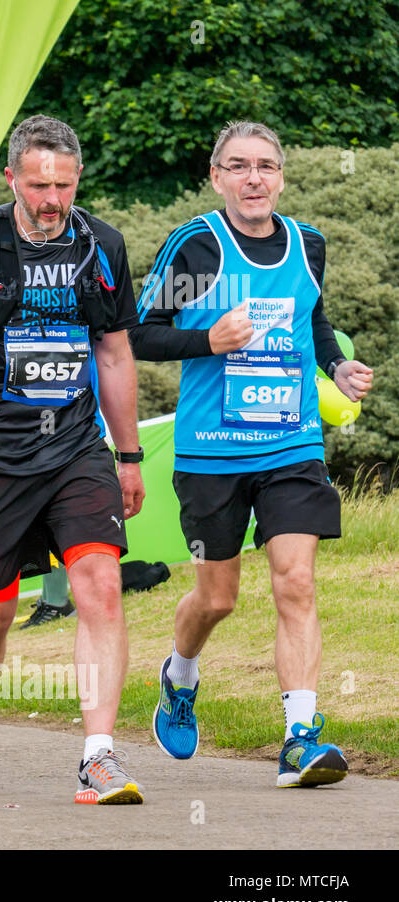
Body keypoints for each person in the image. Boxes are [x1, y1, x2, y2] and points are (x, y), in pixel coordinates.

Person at [131, 121, 372, 788]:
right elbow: (138, 333)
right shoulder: (196, 246)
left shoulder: (307, 245)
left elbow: (312, 320)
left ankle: (300, 737)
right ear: (217, 177)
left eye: (265, 165)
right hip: (211, 453)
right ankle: (180, 675)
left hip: (292, 442)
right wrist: (207, 338)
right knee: (218, 597)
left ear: (282, 177)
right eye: (238, 166)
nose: (254, 177)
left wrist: (336, 366)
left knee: (296, 579)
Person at [0, 115, 146, 804]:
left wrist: (128, 454)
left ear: (78, 180)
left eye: (64, 185)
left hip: (76, 446)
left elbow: (113, 352)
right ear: (12, 177)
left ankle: (98, 756)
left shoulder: (101, 246)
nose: (52, 198)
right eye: (39, 184)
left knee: (101, 586)